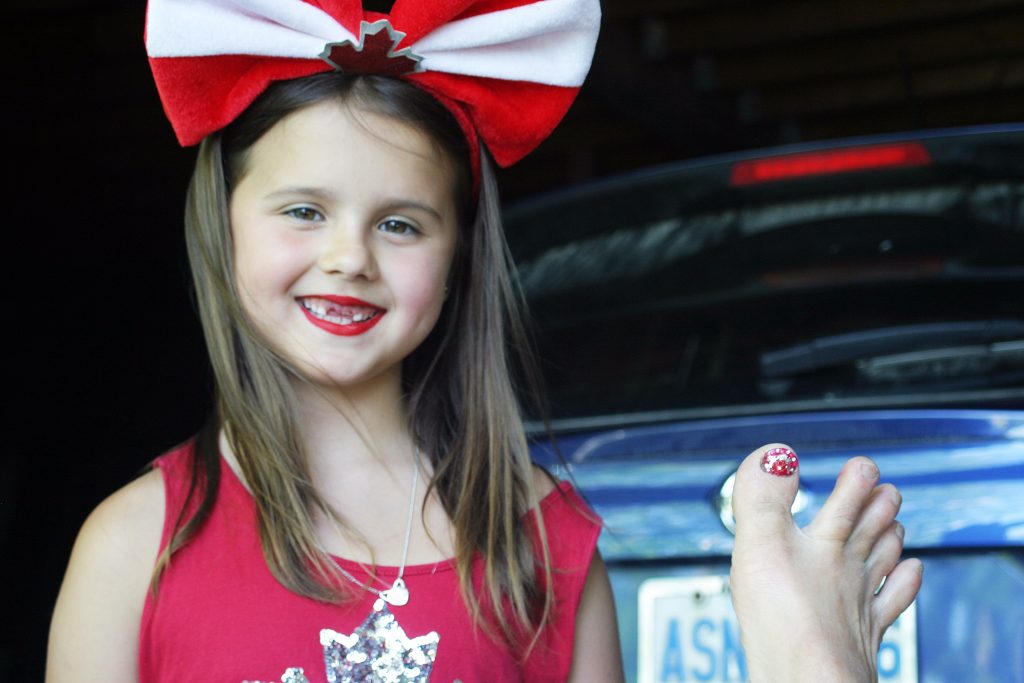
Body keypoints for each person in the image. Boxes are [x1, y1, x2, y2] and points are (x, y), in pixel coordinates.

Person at [46, 1, 921, 681]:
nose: (349, 257)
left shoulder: (548, 549)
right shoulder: (130, 547)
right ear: (222, 223)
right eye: (304, 210)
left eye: (400, 223)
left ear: (460, 254)